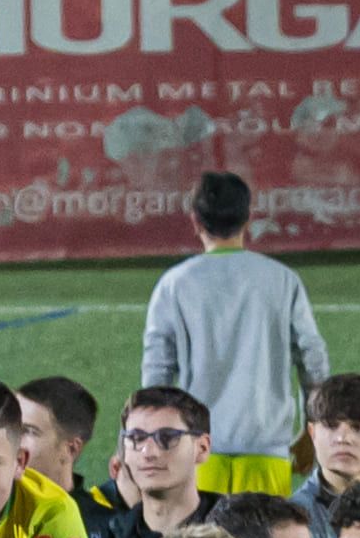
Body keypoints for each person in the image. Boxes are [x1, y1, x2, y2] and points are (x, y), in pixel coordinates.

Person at [138, 170, 329, 496]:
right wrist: (316, 429)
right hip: (267, 452)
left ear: (196, 220)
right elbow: (313, 361)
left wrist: (154, 439)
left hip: (197, 452)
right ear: (248, 218)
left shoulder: (175, 284)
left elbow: (156, 376)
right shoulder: (281, 279)